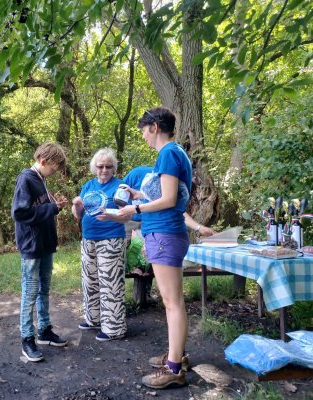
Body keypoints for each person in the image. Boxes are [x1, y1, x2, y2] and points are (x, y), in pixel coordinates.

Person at [114, 107, 198, 389]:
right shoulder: (175, 153)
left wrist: (133, 207)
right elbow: (164, 195)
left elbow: (169, 199)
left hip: (164, 233)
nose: (143, 136)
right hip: (165, 232)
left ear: (153, 126)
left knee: (172, 303)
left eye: (143, 130)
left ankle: (174, 368)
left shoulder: (169, 153)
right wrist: (139, 195)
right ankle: (179, 356)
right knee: (173, 302)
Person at [11, 142, 69, 362]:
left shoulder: (41, 179)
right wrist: (52, 208)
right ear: (43, 161)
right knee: (31, 291)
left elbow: (40, 209)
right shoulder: (26, 178)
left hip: (45, 245)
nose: (55, 172)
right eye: (54, 167)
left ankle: (44, 330)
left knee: (44, 289)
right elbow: (20, 213)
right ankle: (27, 338)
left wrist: (55, 205)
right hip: (32, 247)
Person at [71, 148, 127, 341]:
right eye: (100, 166)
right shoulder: (88, 185)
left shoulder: (120, 187)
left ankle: (114, 328)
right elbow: (78, 215)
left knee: (110, 284)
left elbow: (127, 215)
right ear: (94, 168)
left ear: (114, 168)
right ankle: (93, 319)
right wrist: (77, 204)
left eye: (108, 166)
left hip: (110, 239)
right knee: (90, 280)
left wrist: (111, 214)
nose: (104, 170)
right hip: (88, 239)